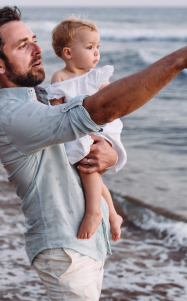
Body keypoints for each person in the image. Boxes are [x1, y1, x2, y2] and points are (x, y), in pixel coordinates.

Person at [0, 6, 187, 300]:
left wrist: (110, 151)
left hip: (85, 245)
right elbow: (98, 111)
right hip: (66, 250)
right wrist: (178, 60)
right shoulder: (14, 115)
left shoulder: (38, 99)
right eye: (23, 45)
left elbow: (88, 139)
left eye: (34, 39)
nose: (38, 49)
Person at [47, 17, 125, 241]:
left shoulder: (97, 76)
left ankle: (94, 213)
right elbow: (55, 112)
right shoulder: (60, 77)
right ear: (68, 53)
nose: (96, 52)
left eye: (97, 47)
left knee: (86, 165)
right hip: (76, 128)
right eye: (90, 47)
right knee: (91, 173)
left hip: (101, 129)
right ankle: (113, 215)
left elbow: (111, 104)